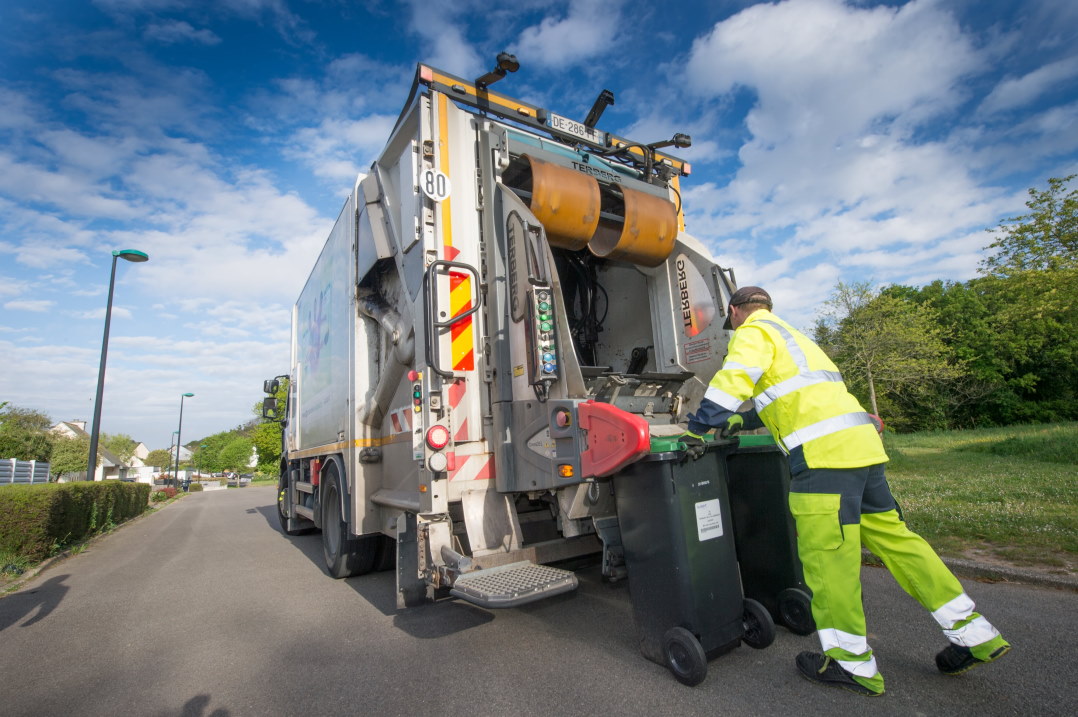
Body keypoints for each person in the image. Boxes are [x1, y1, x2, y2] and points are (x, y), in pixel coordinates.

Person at [683, 286, 1010, 697]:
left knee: (828, 562)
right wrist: (740, 423)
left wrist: (698, 425)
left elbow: (735, 379)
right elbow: (792, 398)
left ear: (734, 312)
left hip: (824, 463)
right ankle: (975, 634)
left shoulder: (752, 332)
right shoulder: (798, 339)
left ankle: (849, 663)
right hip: (862, 453)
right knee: (900, 544)